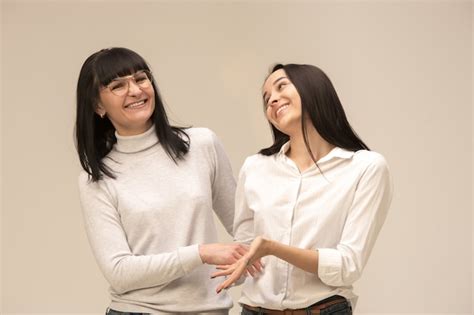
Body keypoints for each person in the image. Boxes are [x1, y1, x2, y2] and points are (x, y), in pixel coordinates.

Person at [75, 47, 248, 315]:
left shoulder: (202, 145)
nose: (135, 90)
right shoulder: (96, 180)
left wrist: (243, 266)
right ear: (98, 105)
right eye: (117, 86)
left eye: (141, 78)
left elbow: (244, 225)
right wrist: (199, 254)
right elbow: (119, 272)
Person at [212, 64, 393, 315]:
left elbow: (347, 266)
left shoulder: (365, 168)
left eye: (281, 86)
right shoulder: (255, 167)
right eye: (266, 99)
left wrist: (273, 248)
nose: (272, 99)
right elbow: (245, 250)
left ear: (313, 89)